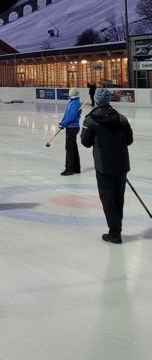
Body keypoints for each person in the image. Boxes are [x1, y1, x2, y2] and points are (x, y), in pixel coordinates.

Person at [81, 87, 133, 244]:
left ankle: (115, 232)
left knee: (108, 198)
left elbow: (85, 142)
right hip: (121, 164)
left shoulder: (90, 120)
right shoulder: (122, 119)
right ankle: (116, 229)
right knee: (118, 197)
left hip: (104, 166)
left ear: (97, 100)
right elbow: (129, 140)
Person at [58, 88, 82, 175]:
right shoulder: (71, 102)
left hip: (73, 127)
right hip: (69, 127)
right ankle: (76, 168)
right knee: (73, 147)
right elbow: (66, 114)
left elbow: (72, 116)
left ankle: (69, 169)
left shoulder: (76, 103)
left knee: (69, 148)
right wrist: (62, 123)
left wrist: (64, 123)